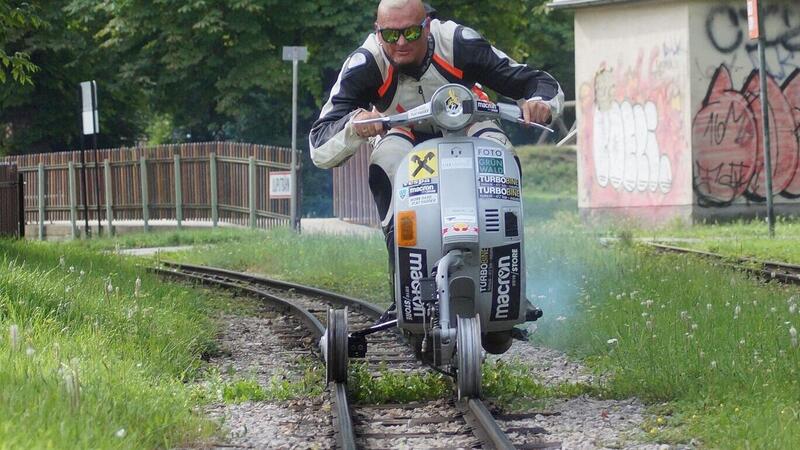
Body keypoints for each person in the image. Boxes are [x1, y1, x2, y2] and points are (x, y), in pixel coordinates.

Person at [309, 0, 562, 329]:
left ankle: (510, 280)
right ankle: (403, 284)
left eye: (411, 32)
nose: (400, 43)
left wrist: (540, 103)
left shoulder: (459, 42)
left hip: (469, 124)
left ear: (427, 26)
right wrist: (355, 125)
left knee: (500, 153)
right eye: (390, 34)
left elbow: (536, 81)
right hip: (402, 131)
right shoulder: (365, 62)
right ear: (377, 31)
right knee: (385, 162)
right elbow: (319, 142)